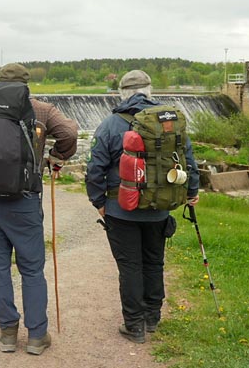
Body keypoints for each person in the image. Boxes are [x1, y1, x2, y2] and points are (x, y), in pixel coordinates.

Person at [0, 63, 78, 355]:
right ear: (26, 84)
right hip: (24, 202)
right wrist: (55, 158)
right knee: (32, 269)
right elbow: (70, 133)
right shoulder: (41, 110)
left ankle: (8, 334)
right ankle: (36, 337)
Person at [85, 69, 200, 344]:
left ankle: (134, 325)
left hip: (120, 210)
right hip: (159, 210)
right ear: (150, 91)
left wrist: (99, 202)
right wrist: (191, 193)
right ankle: (152, 318)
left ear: (122, 93)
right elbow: (189, 161)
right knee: (153, 262)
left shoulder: (111, 124)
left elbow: (94, 169)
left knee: (130, 267)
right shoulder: (170, 122)